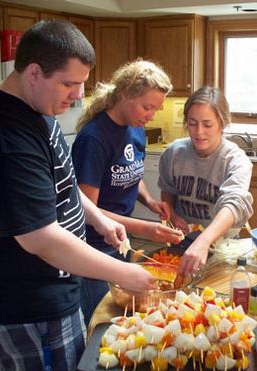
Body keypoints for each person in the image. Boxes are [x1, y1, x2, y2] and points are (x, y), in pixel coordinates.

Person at [0, 20, 153, 371]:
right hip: (21, 303)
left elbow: (62, 181)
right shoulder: (3, 137)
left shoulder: (38, 110)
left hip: (50, 288)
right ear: (33, 72)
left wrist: (99, 219)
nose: (77, 95)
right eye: (69, 83)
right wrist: (124, 272)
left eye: (81, 84)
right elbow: (40, 239)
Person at [72, 59, 184, 325]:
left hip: (120, 243)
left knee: (123, 318)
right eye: (147, 107)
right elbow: (89, 210)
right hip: (93, 249)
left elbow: (132, 173)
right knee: (100, 321)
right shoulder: (94, 139)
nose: (151, 115)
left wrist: (149, 201)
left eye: (156, 109)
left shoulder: (135, 128)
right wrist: (145, 229)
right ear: (124, 95)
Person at [158, 86, 254, 276]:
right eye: (192, 123)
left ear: (222, 124)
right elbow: (168, 191)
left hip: (223, 247)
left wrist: (204, 240)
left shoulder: (235, 160)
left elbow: (234, 204)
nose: (199, 132)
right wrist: (172, 217)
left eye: (207, 125)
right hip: (183, 241)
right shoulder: (173, 153)